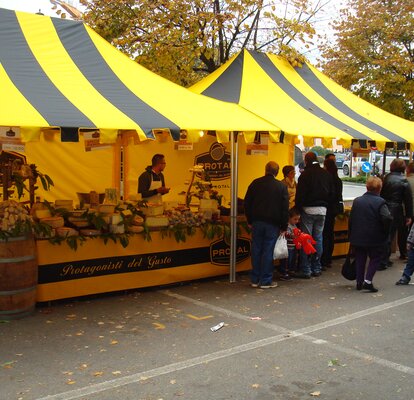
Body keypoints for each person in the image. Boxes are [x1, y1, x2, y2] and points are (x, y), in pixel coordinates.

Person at [244, 161, 289, 289]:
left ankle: (255, 279)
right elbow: (284, 208)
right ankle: (266, 280)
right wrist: (284, 226)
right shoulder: (281, 186)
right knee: (268, 250)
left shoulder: (255, 183)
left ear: (265, 170)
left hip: (257, 222)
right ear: (277, 172)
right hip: (273, 223)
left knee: (256, 250)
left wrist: (249, 220)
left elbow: (247, 203)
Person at [349, 177, 392, 292]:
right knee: (375, 258)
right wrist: (385, 231)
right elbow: (387, 218)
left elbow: (351, 219)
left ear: (367, 187)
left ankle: (359, 281)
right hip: (375, 236)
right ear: (379, 188)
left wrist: (351, 234)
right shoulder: (381, 202)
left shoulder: (357, 201)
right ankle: (368, 281)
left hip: (358, 235)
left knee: (360, 257)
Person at [295, 151, 334, 278]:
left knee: (306, 239)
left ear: (306, 161)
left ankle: (306, 269)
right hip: (322, 210)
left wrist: (298, 209)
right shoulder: (326, 174)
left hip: (308, 209)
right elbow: (331, 193)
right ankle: (316, 267)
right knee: (318, 239)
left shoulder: (304, 175)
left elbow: (300, 195)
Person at [379, 158, 413, 269]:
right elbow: (408, 200)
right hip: (396, 209)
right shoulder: (404, 180)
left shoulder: (386, 178)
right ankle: (384, 260)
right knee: (391, 234)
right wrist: (409, 215)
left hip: (384, 207)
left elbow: (381, 193)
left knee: (385, 234)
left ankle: (383, 258)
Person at [321, 158, 343, 269]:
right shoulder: (338, 180)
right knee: (330, 234)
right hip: (333, 210)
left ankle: (323, 258)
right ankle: (328, 258)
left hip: (326, 209)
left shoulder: (326, 179)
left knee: (324, 234)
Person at [278, 207, 301, 280]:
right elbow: (286, 234)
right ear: (289, 218)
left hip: (293, 246)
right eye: (295, 219)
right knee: (286, 261)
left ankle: (291, 271)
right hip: (287, 247)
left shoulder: (294, 225)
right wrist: (291, 235)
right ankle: (284, 273)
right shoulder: (287, 225)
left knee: (293, 259)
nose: (297, 221)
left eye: (298, 219)